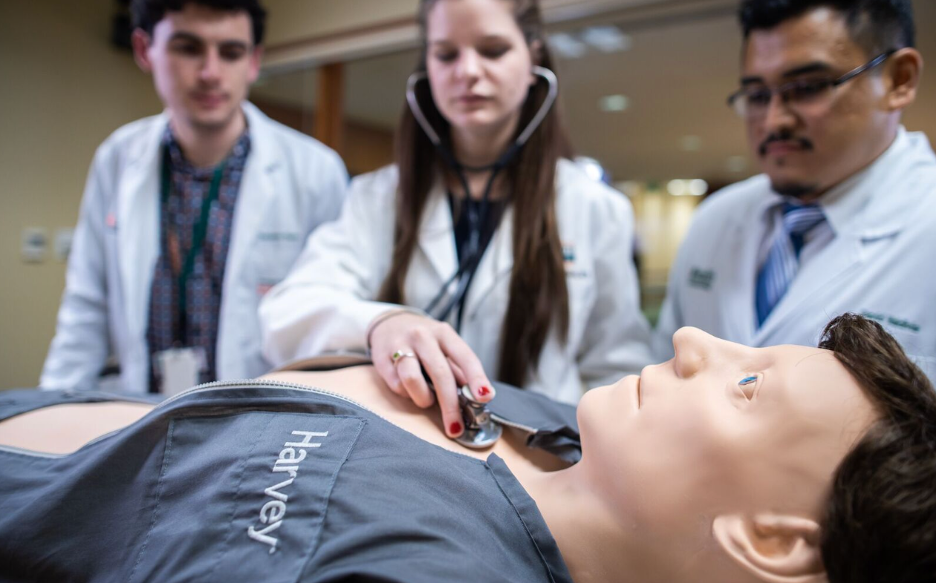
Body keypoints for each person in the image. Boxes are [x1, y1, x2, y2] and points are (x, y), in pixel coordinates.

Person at [1, 313, 934, 583]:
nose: (694, 341)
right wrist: (379, 329)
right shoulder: (553, 424)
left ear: (772, 541)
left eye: (747, 386)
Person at [260, 0, 652, 438]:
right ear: (426, 66)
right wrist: (383, 323)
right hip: (407, 457)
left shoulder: (594, 208)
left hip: (545, 467)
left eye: (492, 49)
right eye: (446, 54)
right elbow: (286, 315)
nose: (467, 71)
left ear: (533, 59)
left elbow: (616, 368)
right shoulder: (378, 198)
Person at [39, 0, 348, 393]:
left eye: (231, 52)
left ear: (254, 61)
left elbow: (330, 320)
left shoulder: (316, 170)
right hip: (144, 417)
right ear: (146, 50)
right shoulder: (117, 158)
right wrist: (48, 423)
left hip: (263, 424)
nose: (210, 72)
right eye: (188, 48)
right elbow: (85, 311)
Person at [652, 0, 936, 379]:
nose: (774, 120)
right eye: (756, 95)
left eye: (808, 87)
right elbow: (664, 374)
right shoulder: (717, 219)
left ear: (899, 79)